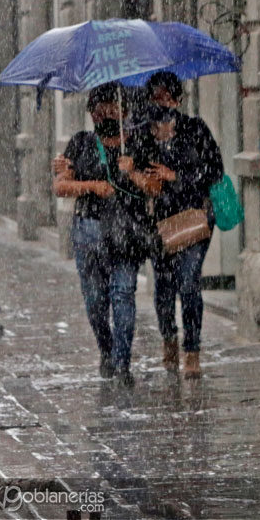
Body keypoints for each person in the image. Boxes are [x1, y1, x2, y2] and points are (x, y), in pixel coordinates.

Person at [53, 82, 161, 387]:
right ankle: (106, 348)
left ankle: (122, 362)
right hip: (89, 229)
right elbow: (61, 186)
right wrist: (92, 187)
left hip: (127, 231)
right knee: (96, 300)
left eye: (111, 108)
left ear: (125, 110)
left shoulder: (138, 143)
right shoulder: (81, 143)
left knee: (123, 294)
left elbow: (155, 188)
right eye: (98, 111)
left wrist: (133, 173)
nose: (105, 115)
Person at [142, 72, 225, 378]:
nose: (161, 103)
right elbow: (133, 178)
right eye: (155, 97)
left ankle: (192, 349)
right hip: (158, 223)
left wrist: (174, 176)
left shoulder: (195, 129)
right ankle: (169, 340)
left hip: (193, 219)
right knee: (163, 288)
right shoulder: (141, 136)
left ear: (177, 100)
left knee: (189, 283)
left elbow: (214, 171)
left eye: (167, 97)